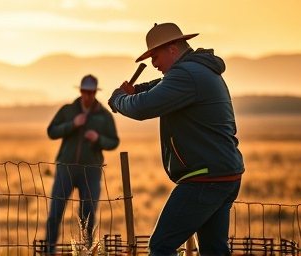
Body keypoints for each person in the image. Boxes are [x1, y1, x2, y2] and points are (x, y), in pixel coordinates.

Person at [108, 23, 245, 255]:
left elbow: (143, 108)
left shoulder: (186, 74)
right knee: (214, 250)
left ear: (172, 49)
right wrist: (135, 90)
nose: (153, 63)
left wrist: (119, 101)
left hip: (204, 178)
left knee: (161, 246)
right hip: (224, 174)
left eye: (156, 55)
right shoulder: (198, 69)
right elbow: (158, 87)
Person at [45, 74, 120, 253]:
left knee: (88, 214)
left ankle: (86, 251)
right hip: (66, 168)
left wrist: (98, 139)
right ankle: (49, 250)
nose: (88, 96)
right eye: (85, 92)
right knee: (55, 212)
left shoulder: (104, 116)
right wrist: (72, 124)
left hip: (91, 171)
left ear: (95, 93)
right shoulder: (68, 110)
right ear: (80, 91)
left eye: (91, 92)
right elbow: (51, 131)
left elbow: (114, 141)